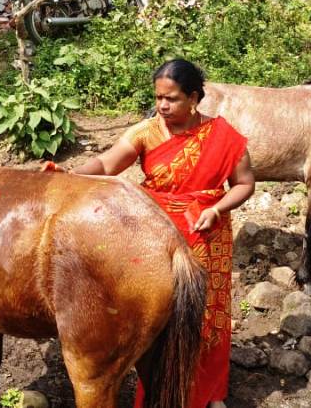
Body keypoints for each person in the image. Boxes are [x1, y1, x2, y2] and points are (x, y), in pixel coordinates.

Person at [69, 59, 255, 408]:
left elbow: (244, 184)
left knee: (201, 316)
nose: (163, 106)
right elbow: (108, 165)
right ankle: (156, 390)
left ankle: (207, 392)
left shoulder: (222, 136)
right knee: (153, 314)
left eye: (171, 99)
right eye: (158, 98)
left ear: (194, 98)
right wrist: (71, 176)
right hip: (152, 233)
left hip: (206, 233)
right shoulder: (146, 132)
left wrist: (217, 209)